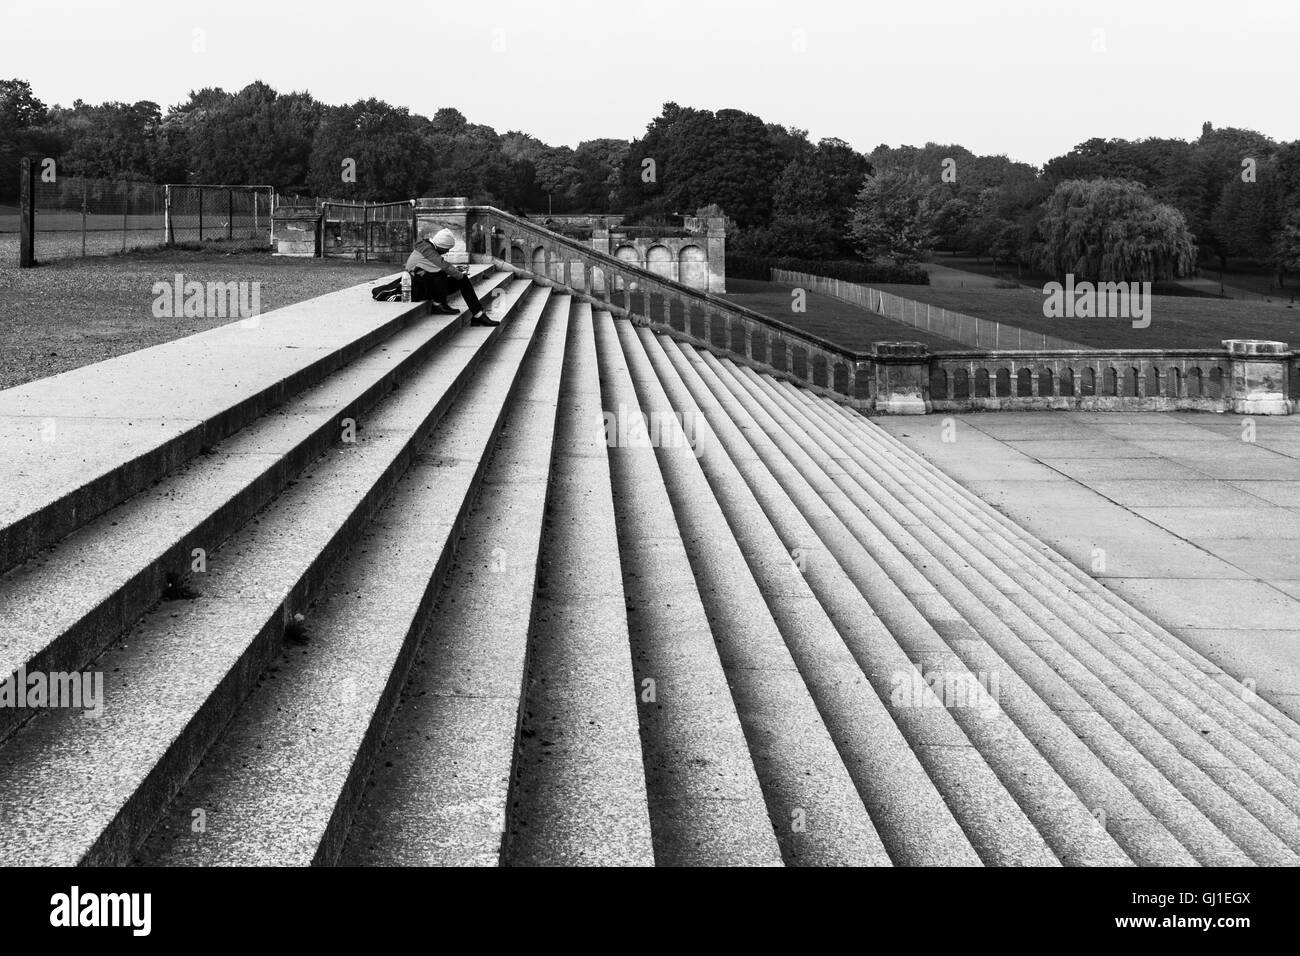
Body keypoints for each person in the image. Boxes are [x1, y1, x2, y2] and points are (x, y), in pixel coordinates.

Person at [405, 229, 499, 326]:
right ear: (441, 246)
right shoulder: (427, 250)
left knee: (460, 279)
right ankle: (438, 305)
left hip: (424, 285)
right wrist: (460, 274)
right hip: (418, 289)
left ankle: (477, 315)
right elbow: (444, 266)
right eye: (447, 249)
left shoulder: (427, 246)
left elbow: (438, 266)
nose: (447, 251)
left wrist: (458, 273)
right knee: (452, 276)